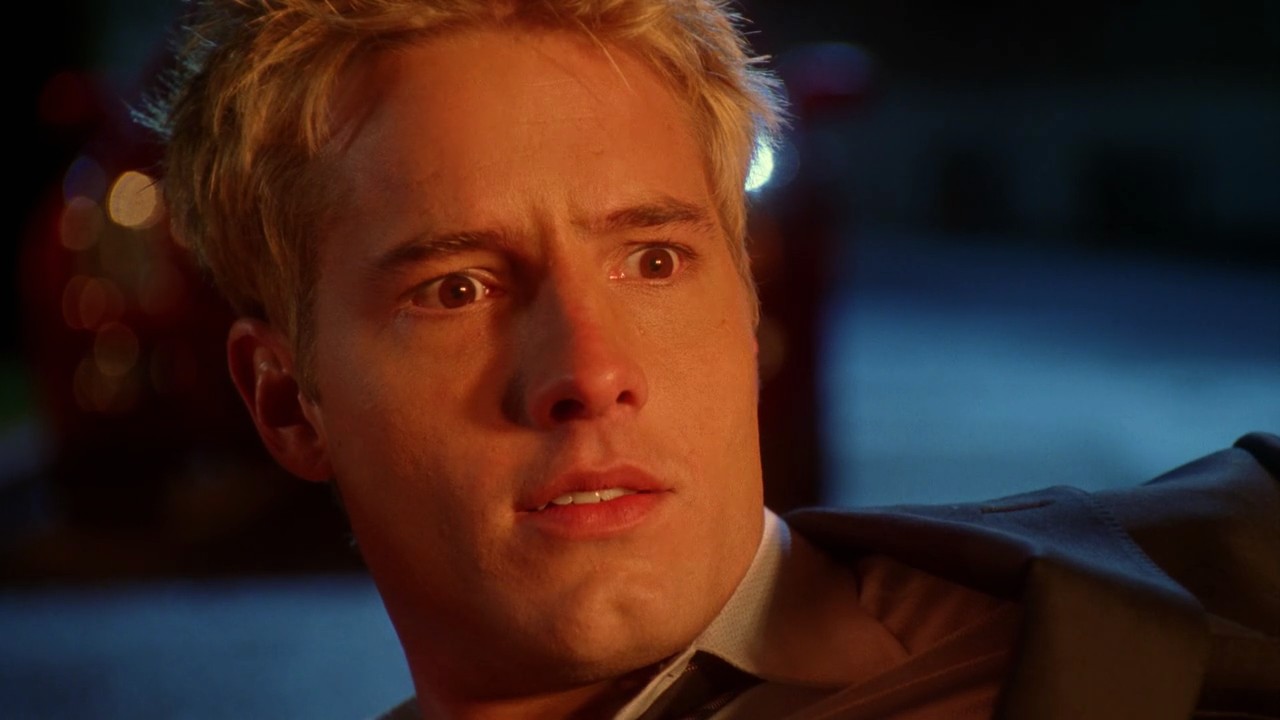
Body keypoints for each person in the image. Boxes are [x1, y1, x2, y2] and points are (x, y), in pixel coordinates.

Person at [144, 1, 1279, 718]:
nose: (590, 372)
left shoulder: (1199, 592)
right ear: (287, 402)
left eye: (652, 260)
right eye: (456, 289)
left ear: (746, 309)